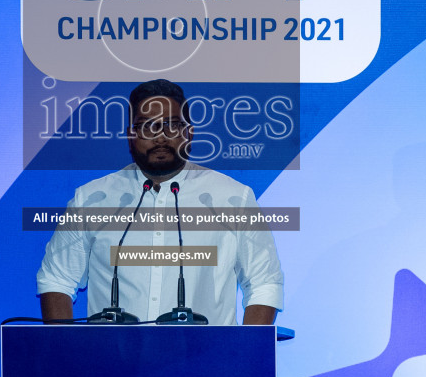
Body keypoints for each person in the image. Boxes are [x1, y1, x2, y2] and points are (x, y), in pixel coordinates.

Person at [36, 79, 283, 325]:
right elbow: (56, 278)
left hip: (206, 359)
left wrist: (244, 353)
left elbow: (264, 281)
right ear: (130, 135)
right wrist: (64, 353)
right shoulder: (92, 199)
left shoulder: (232, 198)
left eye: (172, 125)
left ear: (189, 132)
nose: (161, 137)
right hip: (111, 360)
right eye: (148, 127)